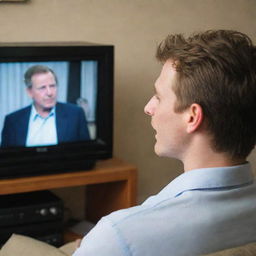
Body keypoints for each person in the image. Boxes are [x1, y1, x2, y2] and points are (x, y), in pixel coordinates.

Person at [73, 30, 256, 256]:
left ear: (192, 117)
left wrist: (98, 247)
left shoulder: (118, 234)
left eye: (158, 97)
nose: (148, 108)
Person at [1, 65, 90, 147]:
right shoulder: (12, 121)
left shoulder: (76, 114)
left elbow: (87, 154)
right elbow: (7, 159)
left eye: (52, 86)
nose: (49, 93)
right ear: (30, 92)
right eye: (42, 87)